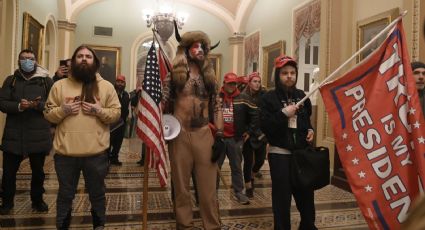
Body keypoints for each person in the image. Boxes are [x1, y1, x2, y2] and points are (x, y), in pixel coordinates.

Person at [44, 45, 121, 229]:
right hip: (66, 155)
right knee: (65, 195)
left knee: (97, 194)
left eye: (88, 56)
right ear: (73, 61)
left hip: (96, 155)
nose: (84, 59)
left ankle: (99, 225)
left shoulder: (107, 86)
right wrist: (63, 110)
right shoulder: (59, 85)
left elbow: (116, 113)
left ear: (95, 62)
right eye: (80, 56)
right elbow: (48, 113)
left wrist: (98, 111)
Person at [163, 27, 223, 229]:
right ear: (186, 50)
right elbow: (162, 104)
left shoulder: (211, 78)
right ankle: (184, 225)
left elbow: (217, 106)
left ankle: (212, 226)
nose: (199, 50)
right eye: (195, 46)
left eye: (202, 46)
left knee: (208, 190)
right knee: (181, 188)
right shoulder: (174, 76)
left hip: (204, 135)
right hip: (180, 135)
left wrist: (221, 136)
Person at [259, 55, 316, 230]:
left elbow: (306, 119)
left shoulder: (301, 96)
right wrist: (283, 114)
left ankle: (308, 226)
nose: (289, 76)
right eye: (285, 73)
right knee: (282, 200)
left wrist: (310, 130)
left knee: (306, 197)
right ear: (278, 75)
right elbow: (265, 126)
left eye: (292, 72)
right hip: (280, 155)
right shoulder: (268, 98)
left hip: (301, 156)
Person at [0, 49, 53, 215]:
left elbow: (53, 104)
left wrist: (37, 105)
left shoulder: (46, 81)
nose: (27, 61)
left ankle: (37, 200)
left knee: (38, 172)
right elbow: (2, 103)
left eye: (30, 59)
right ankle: (7, 202)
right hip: (13, 135)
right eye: (24, 58)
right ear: (18, 61)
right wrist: (18, 106)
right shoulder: (11, 80)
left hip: (38, 135)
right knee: (8, 173)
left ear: (36, 61)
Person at [217, 72, 257, 204]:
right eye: (229, 83)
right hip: (219, 139)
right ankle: (212, 193)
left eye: (234, 83)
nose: (232, 86)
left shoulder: (243, 98)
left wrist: (249, 131)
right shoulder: (217, 97)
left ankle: (239, 192)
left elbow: (255, 115)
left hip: (236, 139)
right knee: (215, 167)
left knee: (236, 167)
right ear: (224, 83)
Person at [241, 72, 267, 198]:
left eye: (259, 81)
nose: (257, 84)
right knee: (248, 161)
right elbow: (241, 116)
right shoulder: (243, 96)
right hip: (248, 133)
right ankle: (248, 186)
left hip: (261, 133)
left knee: (260, 160)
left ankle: (252, 175)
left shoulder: (264, 96)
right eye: (255, 81)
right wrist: (245, 131)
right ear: (249, 83)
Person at [109, 75, 130, 165]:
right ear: (115, 83)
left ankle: (114, 158)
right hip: (111, 124)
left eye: (122, 82)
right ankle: (106, 159)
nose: (120, 84)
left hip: (122, 124)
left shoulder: (126, 95)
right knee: (109, 142)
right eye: (118, 82)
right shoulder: (111, 93)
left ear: (124, 84)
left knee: (118, 143)